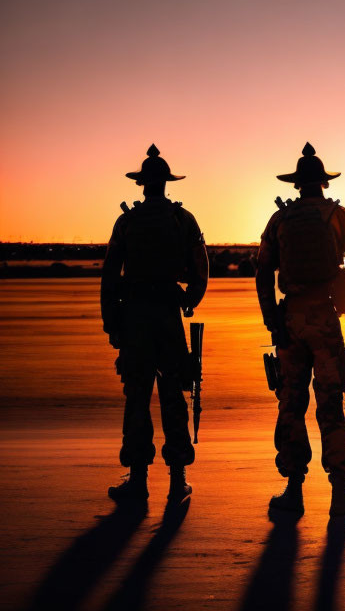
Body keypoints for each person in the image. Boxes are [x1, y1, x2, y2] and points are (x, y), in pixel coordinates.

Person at [256, 142, 345, 516]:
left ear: (297, 185)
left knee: (291, 401)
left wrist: (272, 319)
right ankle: (340, 492)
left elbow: (262, 273)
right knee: (330, 402)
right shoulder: (340, 217)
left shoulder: (280, 220)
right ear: (323, 183)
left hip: (290, 320)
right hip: (325, 319)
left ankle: (293, 489)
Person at [101, 144, 209, 504]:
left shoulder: (127, 221)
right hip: (166, 316)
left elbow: (109, 274)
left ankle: (138, 477)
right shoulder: (182, 219)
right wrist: (187, 300)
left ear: (142, 184)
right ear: (165, 183)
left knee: (137, 397)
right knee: (173, 395)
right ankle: (178, 480)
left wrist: (112, 322)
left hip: (135, 317)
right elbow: (200, 269)